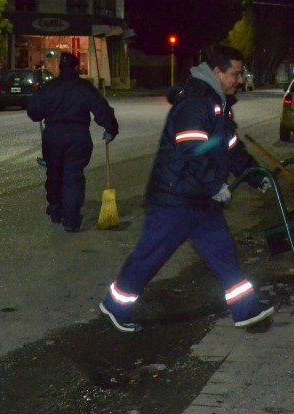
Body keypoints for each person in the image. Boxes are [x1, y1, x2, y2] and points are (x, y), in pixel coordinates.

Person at [98, 45, 273, 332]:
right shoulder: (195, 102)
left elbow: (230, 148)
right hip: (176, 198)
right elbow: (192, 149)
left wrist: (255, 176)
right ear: (217, 72)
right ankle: (115, 305)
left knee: (223, 252)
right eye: (236, 74)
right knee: (150, 255)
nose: (240, 80)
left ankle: (246, 310)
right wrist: (214, 184)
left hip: (199, 200)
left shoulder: (218, 103)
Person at [27, 52, 119, 232]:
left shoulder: (50, 87)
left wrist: (42, 110)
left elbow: (34, 111)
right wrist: (110, 129)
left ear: (60, 68)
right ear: (76, 68)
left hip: (53, 137)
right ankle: (71, 219)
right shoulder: (84, 87)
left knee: (54, 173)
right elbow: (102, 109)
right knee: (72, 177)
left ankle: (55, 210)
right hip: (78, 137)